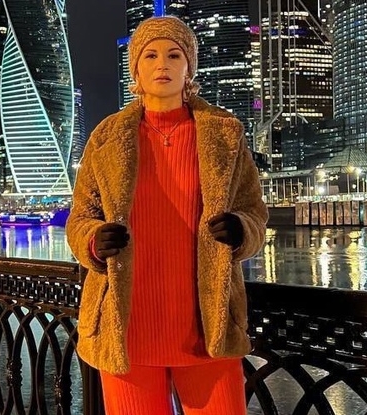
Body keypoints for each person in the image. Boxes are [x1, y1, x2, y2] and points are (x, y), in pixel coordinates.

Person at [66, 15, 268, 415]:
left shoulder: (226, 134)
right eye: (151, 55)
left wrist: (241, 230)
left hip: (208, 324)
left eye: (174, 55)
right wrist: (93, 240)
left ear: (189, 67)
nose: (163, 64)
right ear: (136, 70)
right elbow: (81, 217)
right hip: (127, 326)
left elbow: (255, 214)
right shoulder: (106, 137)